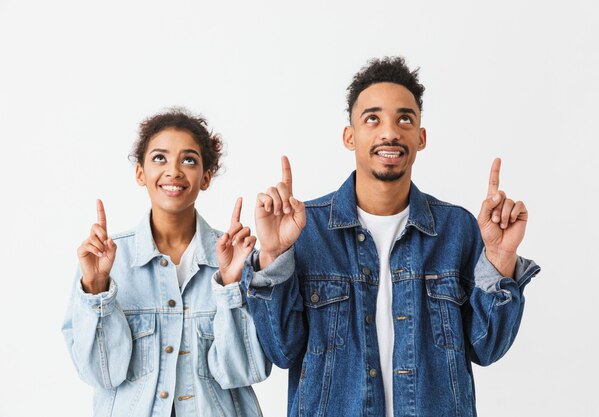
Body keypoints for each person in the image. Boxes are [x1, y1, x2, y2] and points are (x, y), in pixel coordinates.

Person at [242, 57, 541, 417]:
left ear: (421, 137)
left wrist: (499, 257)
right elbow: (282, 350)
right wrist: (274, 253)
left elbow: (487, 347)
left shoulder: (457, 229)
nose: (390, 132)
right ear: (349, 136)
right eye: (373, 118)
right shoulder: (306, 229)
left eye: (405, 119)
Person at [62, 109, 270, 417]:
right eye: (160, 158)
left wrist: (229, 284)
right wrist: (96, 289)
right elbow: (102, 375)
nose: (173, 170)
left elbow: (242, 371)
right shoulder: (104, 260)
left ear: (206, 177)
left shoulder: (236, 255)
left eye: (189, 160)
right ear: (140, 173)